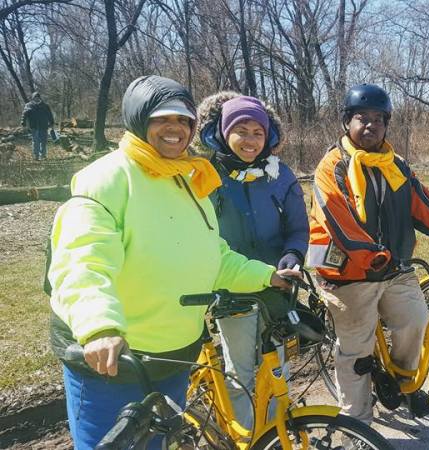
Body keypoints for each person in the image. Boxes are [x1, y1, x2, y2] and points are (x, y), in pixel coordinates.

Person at [47, 75, 298, 450]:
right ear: (137, 120)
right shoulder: (107, 178)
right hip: (115, 363)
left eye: (183, 120)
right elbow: (82, 260)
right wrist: (99, 326)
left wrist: (267, 276)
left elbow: (214, 256)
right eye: (162, 118)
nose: (175, 128)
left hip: (175, 358)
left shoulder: (187, 181)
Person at [308, 84, 429, 424]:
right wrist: (371, 255)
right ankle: (358, 425)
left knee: (415, 321)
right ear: (347, 122)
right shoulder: (331, 167)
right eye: (362, 118)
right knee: (356, 352)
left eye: (379, 119)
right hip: (345, 271)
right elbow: (339, 224)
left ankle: (405, 385)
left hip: (392, 267)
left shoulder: (396, 166)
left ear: (387, 124)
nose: (371, 125)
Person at [196, 92, 309, 429]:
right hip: (233, 290)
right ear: (222, 132)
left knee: (277, 366)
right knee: (241, 370)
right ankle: (248, 436)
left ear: (269, 136)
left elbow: (298, 228)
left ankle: (275, 434)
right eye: (240, 131)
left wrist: (292, 256)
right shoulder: (206, 175)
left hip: (278, 286)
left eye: (257, 132)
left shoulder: (281, 176)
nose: (250, 140)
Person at [20, 91, 55, 160]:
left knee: (43, 141)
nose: (37, 98)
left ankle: (43, 155)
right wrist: (23, 122)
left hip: (44, 126)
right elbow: (24, 114)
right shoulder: (29, 105)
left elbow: (50, 115)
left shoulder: (45, 106)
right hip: (34, 126)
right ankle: (36, 156)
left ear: (40, 98)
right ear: (33, 98)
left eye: (38, 97)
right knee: (35, 142)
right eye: (35, 97)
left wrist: (51, 123)